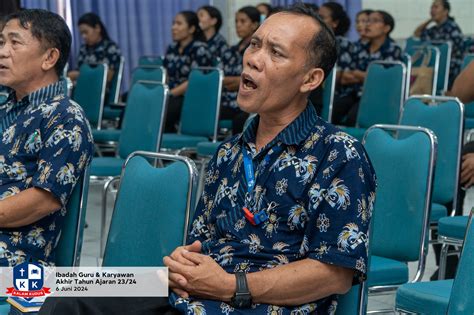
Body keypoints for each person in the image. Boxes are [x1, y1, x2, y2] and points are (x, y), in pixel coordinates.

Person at [39, 4, 376, 314]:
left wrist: (232, 285)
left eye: (275, 53)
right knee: (65, 292)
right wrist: (185, 260)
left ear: (310, 79)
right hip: (193, 291)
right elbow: (201, 241)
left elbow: (334, 274)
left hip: (254, 303)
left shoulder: (338, 154)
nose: (253, 58)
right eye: (255, 44)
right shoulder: (229, 152)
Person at [0, 9, 94, 267]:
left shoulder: (65, 117)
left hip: (16, 257)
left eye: (15, 42)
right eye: (1, 42)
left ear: (49, 57)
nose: (2, 51)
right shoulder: (6, 107)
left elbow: (44, 199)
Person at [334, 10, 402, 126]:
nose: (368, 24)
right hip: (354, 92)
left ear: (386, 28)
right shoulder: (361, 48)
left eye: (375, 21)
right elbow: (349, 72)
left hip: (376, 96)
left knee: (353, 118)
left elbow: (386, 80)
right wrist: (366, 76)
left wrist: (361, 75)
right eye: (368, 21)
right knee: (332, 111)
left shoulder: (393, 49)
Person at [163, 11, 212, 132]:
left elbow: (195, 81)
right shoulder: (172, 48)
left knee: (165, 109)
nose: (173, 27)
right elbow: (165, 74)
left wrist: (170, 93)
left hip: (188, 95)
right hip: (170, 93)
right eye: (173, 23)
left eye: (179, 24)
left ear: (191, 29)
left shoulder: (200, 49)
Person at [220, 6, 259, 134]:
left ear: (254, 25)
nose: (238, 25)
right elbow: (221, 75)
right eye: (236, 21)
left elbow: (253, 78)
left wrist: (238, 81)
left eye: (243, 21)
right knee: (205, 111)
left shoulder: (257, 50)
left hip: (246, 99)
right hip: (226, 98)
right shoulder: (231, 50)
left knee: (240, 120)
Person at [413, 0, 463, 87]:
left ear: (445, 11)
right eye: (431, 8)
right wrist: (430, 20)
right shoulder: (434, 29)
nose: (432, 10)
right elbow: (417, 33)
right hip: (435, 64)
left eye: (436, 7)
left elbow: (450, 51)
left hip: (450, 66)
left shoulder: (452, 28)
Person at [317, 2, 352, 116]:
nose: (317, 20)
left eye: (321, 17)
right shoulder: (315, 42)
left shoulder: (342, 43)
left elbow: (338, 77)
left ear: (335, 23)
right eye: (316, 16)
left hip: (337, 93)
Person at [67, 13, 122, 85]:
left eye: (86, 32)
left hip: (102, 92)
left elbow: (108, 77)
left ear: (97, 28)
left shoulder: (111, 48)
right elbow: (77, 70)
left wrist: (79, 75)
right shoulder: (83, 49)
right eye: (81, 33)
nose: (84, 36)